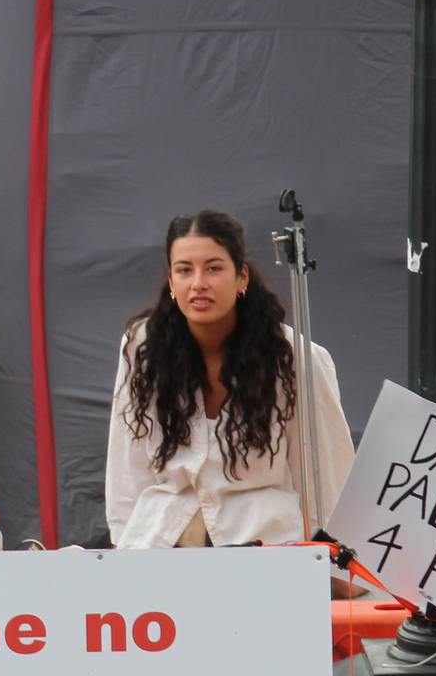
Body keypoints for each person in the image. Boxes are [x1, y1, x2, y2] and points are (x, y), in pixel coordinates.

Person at [105, 209, 355, 549]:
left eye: (213, 268)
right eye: (184, 270)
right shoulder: (141, 347)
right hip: (163, 540)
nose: (198, 283)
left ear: (242, 277)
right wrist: (125, 554)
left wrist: (329, 560)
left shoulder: (294, 357)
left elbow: (326, 476)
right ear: (172, 282)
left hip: (264, 543)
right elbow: (127, 471)